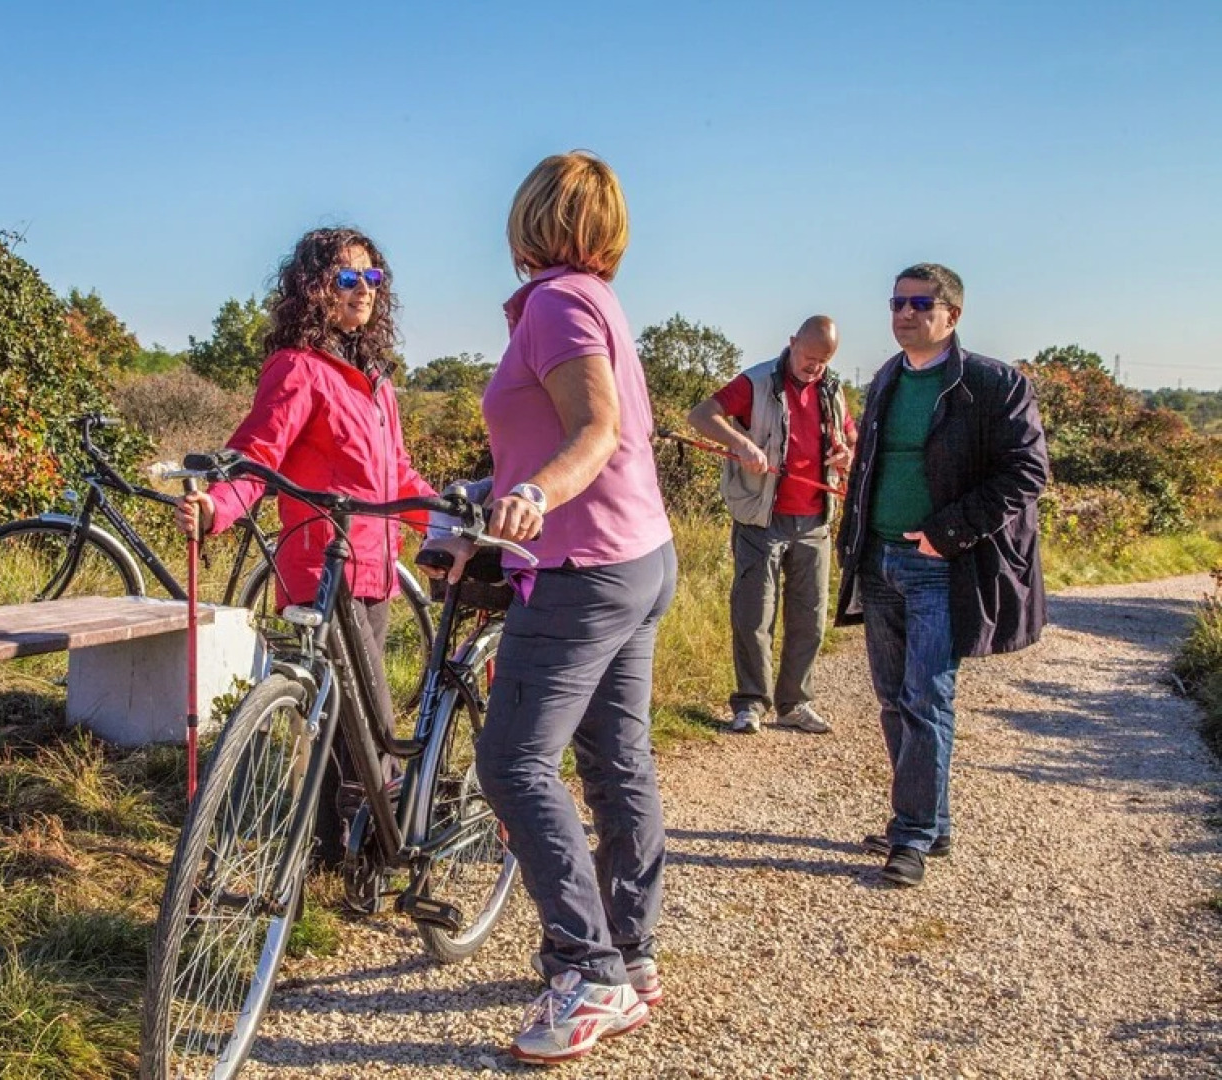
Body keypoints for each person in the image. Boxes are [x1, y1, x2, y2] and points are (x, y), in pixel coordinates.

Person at [433, 151, 675, 1066]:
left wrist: (532, 495)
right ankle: (631, 952)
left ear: (530, 217)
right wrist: (482, 500)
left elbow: (593, 429)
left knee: (513, 762)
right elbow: (573, 433)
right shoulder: (593, 300)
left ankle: (586, 971)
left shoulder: (558, 302)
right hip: (638, 555)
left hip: (583, 567)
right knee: (616, 759)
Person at [175, 227, 435, 867]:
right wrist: (216, 507)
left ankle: (332, 852)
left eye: (372, 280)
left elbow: (399, 476)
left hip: (375, 572)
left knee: (350, 723)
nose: (364, 292)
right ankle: (365, 848)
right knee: (360, 722)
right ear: (313, 288)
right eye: (348, 279)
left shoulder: (375, 383)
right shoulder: (298, 368)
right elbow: (256, 457)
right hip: (321, 571)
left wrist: (449, 523)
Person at [835, 263, 1048, 888]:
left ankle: (912, 835)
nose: (904, 313)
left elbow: (1027, 473)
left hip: (940, 567)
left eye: (920, 303)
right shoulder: (886, 379)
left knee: (927, 696)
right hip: (877, 561)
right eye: (897, 302)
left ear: (952, 315)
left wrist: (947, 533)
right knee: (893, 698)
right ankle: (930, 819)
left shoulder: (992, 383)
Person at [686, 316, 854, 735]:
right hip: (761, 517)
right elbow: (701, 415)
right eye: (809, 357)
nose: (814, 368)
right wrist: (740, 443)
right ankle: (750, 704)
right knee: (753, 613)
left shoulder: (833, 390)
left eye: (823, 361)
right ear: (792, 342)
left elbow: (850, 439)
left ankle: (795, 703)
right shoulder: (756, 381)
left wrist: (846, 455)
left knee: (810, 617)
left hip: (815, 518)